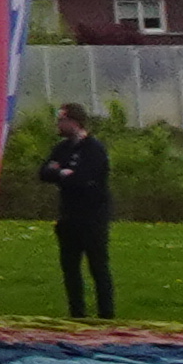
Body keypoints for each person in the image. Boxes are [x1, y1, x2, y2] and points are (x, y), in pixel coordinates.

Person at [40, 103, 118, 319]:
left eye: (61, 120)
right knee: (70, 268)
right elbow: (44, 172)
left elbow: (84, 179)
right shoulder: (62, 148)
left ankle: (106, 314)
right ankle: (77, 313)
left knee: (98, 266)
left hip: (92, 217)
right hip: (68, 216)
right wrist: (63, 173)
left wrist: (63, 173)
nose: (58, 124)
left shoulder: (94, 149)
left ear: (74, 122)